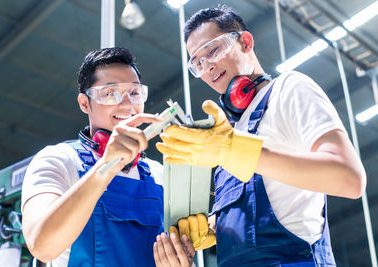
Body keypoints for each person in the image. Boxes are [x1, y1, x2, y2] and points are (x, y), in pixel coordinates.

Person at [154, 5, 366, 267]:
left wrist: (236, 151)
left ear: (245, 41)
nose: (207, 66)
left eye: (213, 50)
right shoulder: (227, 133)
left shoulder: (288, 89)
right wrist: (215, 227)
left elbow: (349, 178)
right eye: (197, 62)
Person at [22, 47, 167, 266]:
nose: (127, 104)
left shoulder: (160, 174)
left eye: (135, 93)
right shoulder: (58, 160)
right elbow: (42, 247)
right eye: (111, 93)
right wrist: (106, 167)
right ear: (84, 103)